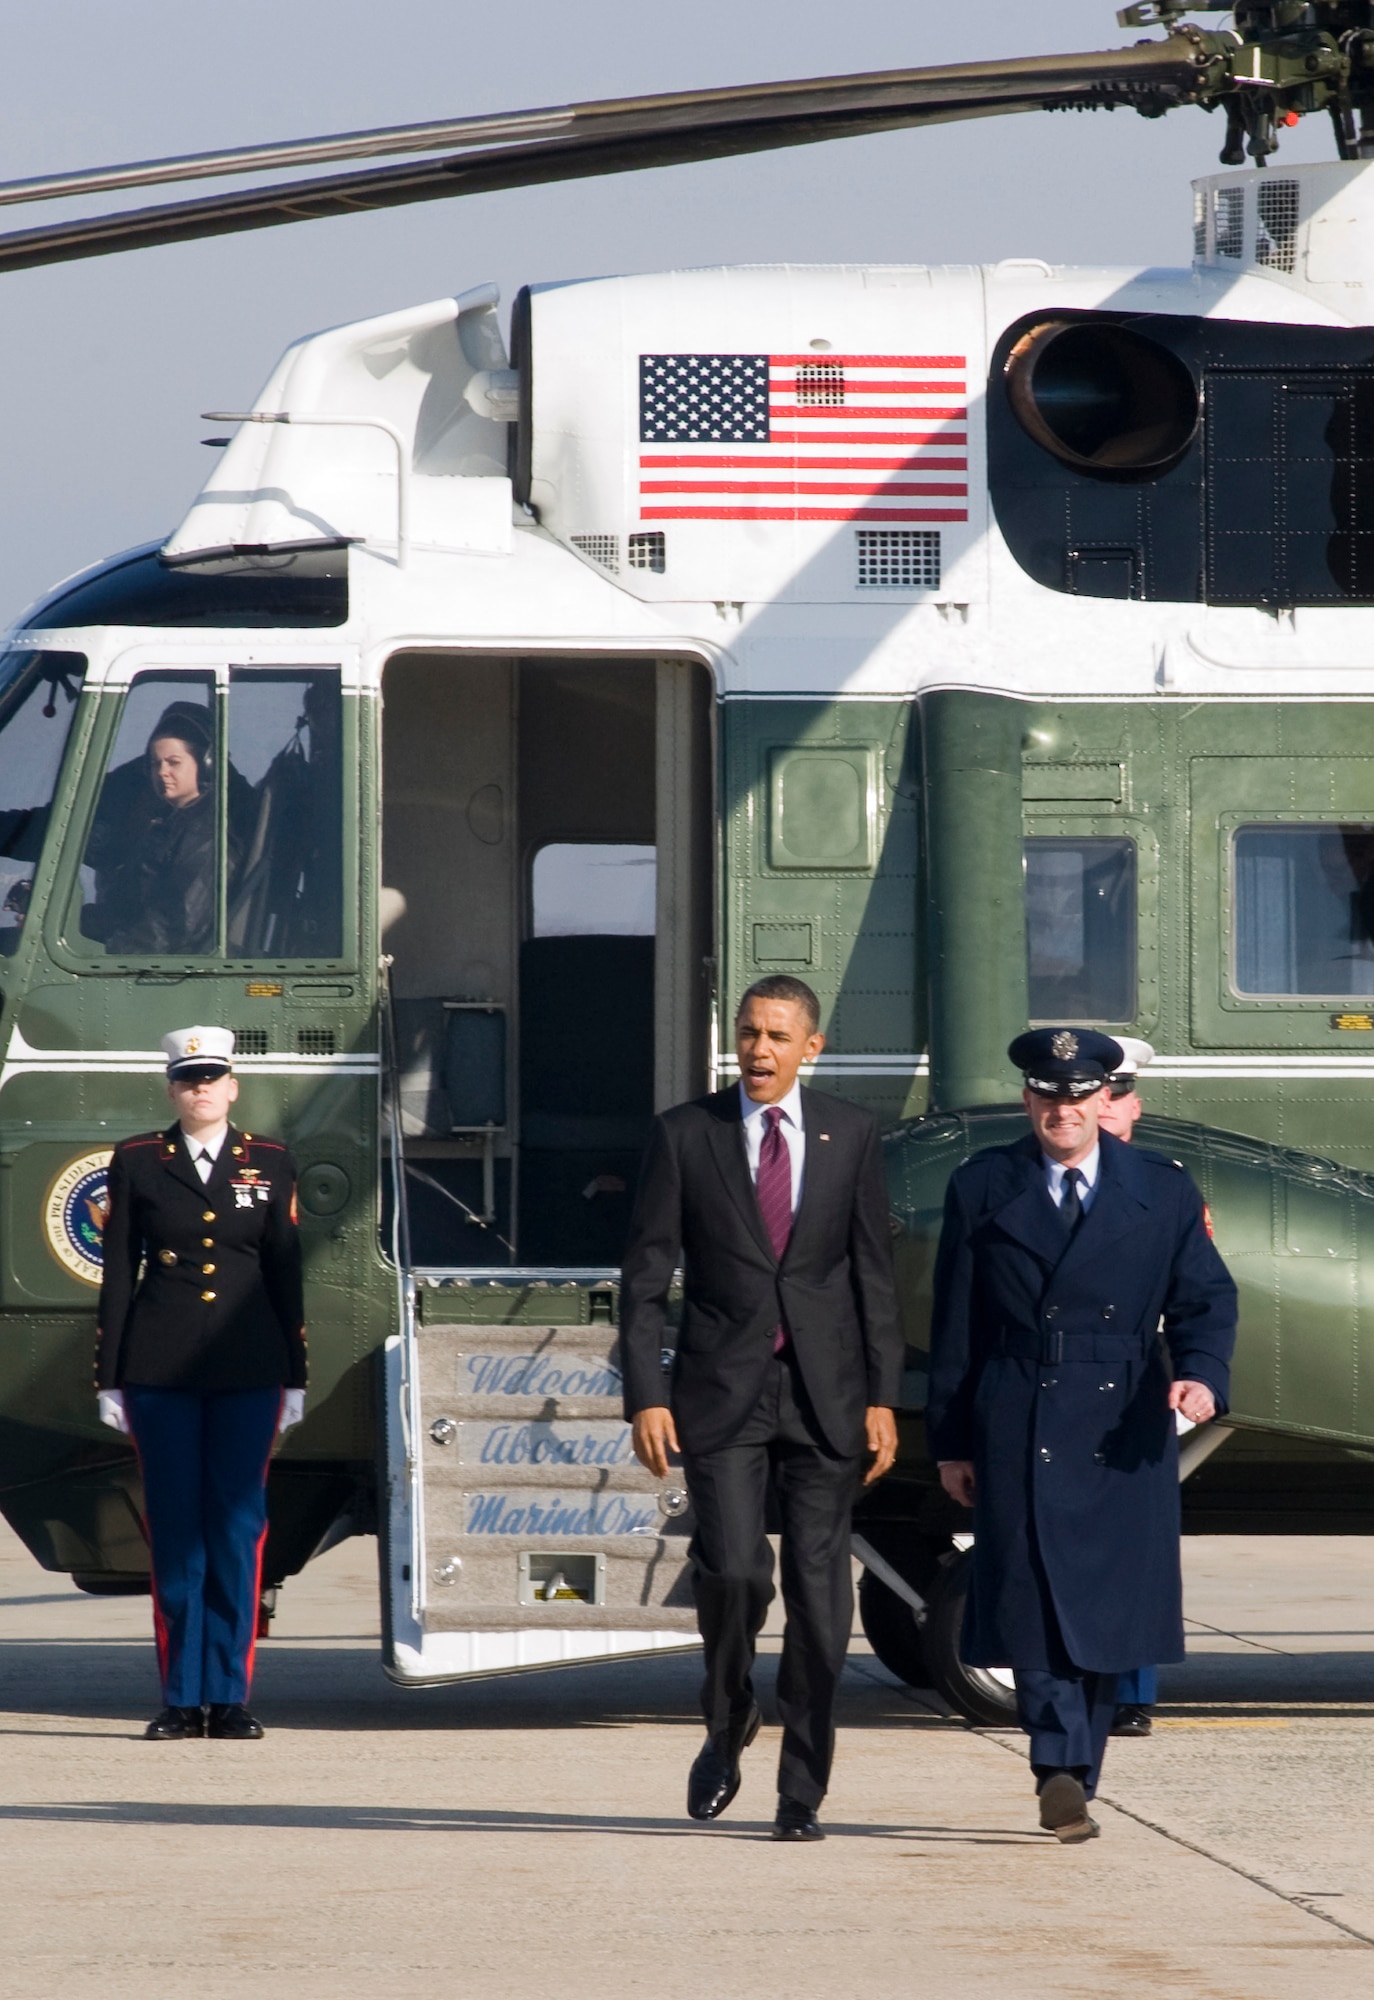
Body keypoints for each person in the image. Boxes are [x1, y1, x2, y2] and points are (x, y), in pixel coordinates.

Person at [927, 1027, 1235, 1843]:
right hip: (1019, 1409)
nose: (1061, 1110)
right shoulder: (982, 1187)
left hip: (1122, 1417)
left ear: (1106, 1100)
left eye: (1076, 1096)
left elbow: (1206, 1297)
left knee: (1110, 1612)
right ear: (1028, 1100)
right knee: (1028, 1600)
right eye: (1046, 1095)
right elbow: (955, 1324)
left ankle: (1078, 1766)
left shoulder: (1162, 1190)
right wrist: (953, 1440)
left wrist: (1202, 1373)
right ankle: (1056, 1767)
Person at [620, 975, 904, 1840]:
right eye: (748, 1033)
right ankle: (728, 1710)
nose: (758, 1049)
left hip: (826, 1396)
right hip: (721, 1392)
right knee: (736, 1572)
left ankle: (800, 1794)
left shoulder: (851, 1134)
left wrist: (885, 1397)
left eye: (778, 1036)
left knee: (822, 1611)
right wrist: (645, 1395)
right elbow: (643, 1281)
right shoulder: (685, 1136)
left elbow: (871, 1277)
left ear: (810, 1048)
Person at [96, 1027, 307, 1740]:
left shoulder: (271, 1163)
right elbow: (120, 1271)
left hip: (250, 1371)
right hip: (161, 1371)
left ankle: (231, 1695)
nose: (201, 1090)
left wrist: (296, 1375)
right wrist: (111, 1376)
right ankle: (182, 1698)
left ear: (233, 1088)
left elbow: (284, 1272)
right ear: (171, 1089)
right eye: (189, 1080)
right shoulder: (138, 1161)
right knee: (178, 1532)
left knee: (238, 1529)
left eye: (213, 1078)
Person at [1095, 1037, 1159, 1739]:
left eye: (1115, 1097)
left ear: (1133, 1105)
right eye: (1092, 1095)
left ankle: (1131, 1688)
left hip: (1139, 1381)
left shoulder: (1163, 1186)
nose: (1103, 1109)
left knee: (1136, 1542)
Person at [84, 703, 236, 955]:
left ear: (206, 764)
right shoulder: (167, 826)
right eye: (156, 764)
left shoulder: (209, 837)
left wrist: (112, 953)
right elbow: (125, 910)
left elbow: (174, 925)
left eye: (173, 763)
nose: (162, 772)